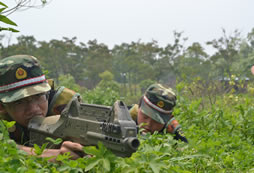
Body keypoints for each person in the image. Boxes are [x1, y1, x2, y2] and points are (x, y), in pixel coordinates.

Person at [0, 55, 84, 161]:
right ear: (2, 106)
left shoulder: (66, 105)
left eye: (39, 95)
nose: (34, 108)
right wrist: (47, 155)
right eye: (19, 102)